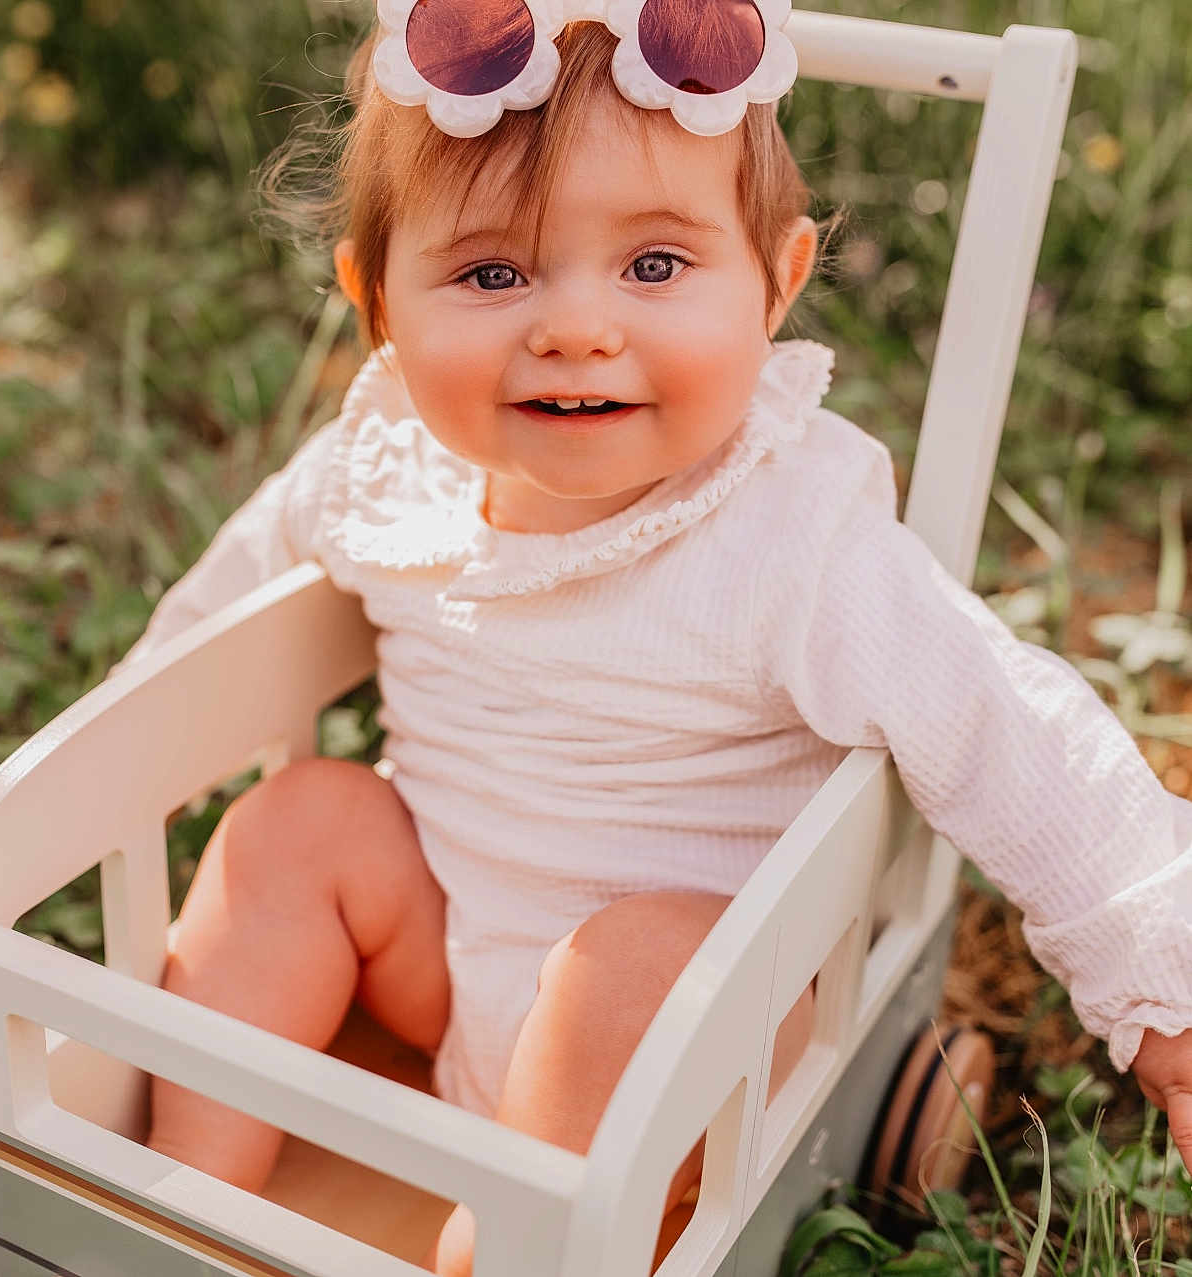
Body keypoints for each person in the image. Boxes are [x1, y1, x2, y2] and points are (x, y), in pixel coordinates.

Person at [113, 6, 1192, 1273]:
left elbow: (1009, 730)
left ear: (776, 285)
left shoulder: (794, 537)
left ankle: (504, 1251)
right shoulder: (377, 471)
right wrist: (129, 758)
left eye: (655, 266)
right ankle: (175, 1201)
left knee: (630, 962)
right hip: (448, 963)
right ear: (376, 307)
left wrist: (1162, 998)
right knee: (298, 818)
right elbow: (207, 617)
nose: (574, 326)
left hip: (687, 1053)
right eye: (491, 273)